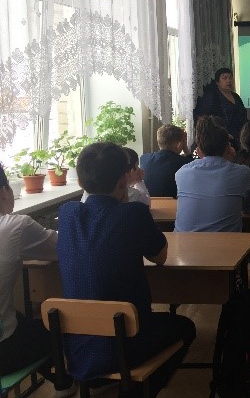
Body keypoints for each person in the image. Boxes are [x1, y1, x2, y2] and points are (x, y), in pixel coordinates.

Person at [57, 143, 195, 398]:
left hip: (78, 349)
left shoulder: (67, 214)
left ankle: (103, 381)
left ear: (80, 182)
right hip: (126, 344)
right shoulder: (134, 213)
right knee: (186, 327)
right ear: (123, 180)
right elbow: (161, 257)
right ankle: (138, 391)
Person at [0, 164, 77, 398]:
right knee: (59, 326)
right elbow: (64, 248)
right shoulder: (14, 226)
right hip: (4, 352)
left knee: (20, 319)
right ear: (4, 192)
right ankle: (63, 384)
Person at [175, 116, 250, 233]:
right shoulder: (242, 173)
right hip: (227, 244)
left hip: (181, 243)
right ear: (228, 149)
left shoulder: (181, 173)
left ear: (198, 151)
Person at [193, 67, 247, 150]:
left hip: (240, 137)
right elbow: (202, 118)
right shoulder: (211, 97)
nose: (228, 81)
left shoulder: (236, 96)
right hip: (221, 139)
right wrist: (221, 133)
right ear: (217, 82)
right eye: (224, 78)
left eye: (230, 78)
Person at [80, 147, 151, 206]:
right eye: (137, 166)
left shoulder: (89, 192)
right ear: (129, 173)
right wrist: (139, 182)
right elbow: (147, 204)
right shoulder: (135, 194)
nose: (139, 170)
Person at [140, 124, 193, 198]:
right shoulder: (185, 163)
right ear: (178, 144)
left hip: (149, 203)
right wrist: (187, 152)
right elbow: (195, 169)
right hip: (175, 204)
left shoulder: (144, 159)